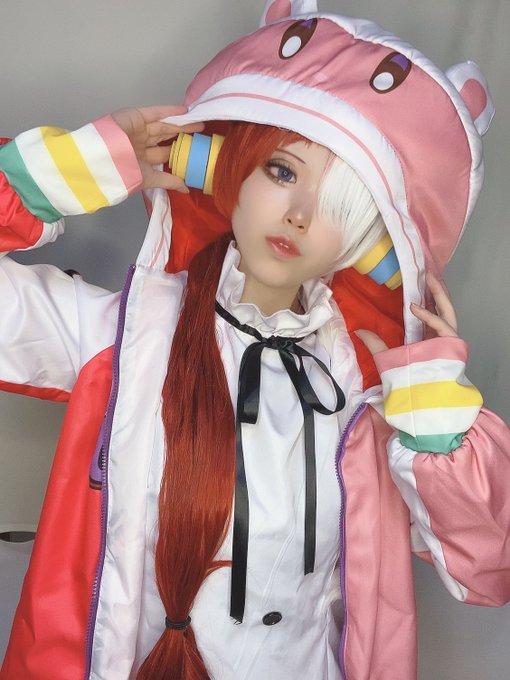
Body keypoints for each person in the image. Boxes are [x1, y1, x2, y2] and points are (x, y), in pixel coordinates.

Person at [1, 2, 510, 679]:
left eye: (341, 204)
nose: (299, 215)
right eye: (281, 171)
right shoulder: (120, 339)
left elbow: (487, 569)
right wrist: (49, 179)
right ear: (226, 168)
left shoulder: (372, 397)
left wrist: (438, 418)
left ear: (373, 241)